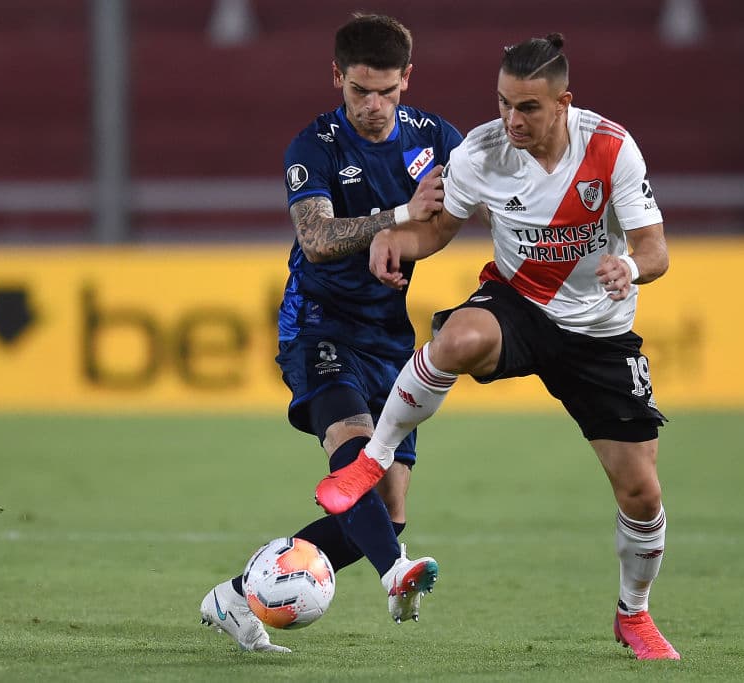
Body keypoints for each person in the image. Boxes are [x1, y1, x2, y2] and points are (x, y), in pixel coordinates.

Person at [315, 33, 681, 660]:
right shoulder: (480, 152)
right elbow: (438, 231)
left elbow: (655, 251)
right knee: (457, 337)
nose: (512, 119)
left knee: (641, 494)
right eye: (505, 103)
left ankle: (634, 614)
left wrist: (629, 267)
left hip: (599, 333)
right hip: (520, 304)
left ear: (563, 103)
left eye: (528, 107)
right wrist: (395, 238)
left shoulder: (610, 148)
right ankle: (374, 457)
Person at [200, 13, 462, 653]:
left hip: (387, 336)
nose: (373, 106)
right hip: (317, 323)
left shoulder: (436, 139)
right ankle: (395, 574)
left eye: (386, 91)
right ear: (336, 77)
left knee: (388, 512)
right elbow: (316, 238)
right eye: (359, 91)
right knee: (354, 445)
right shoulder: (314, 146)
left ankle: (235, 596)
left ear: (407, 78)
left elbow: (469, 206)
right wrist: (398, 215)